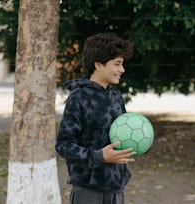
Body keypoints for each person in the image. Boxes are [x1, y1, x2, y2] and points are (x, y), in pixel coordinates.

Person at [55, 33, 135, 204]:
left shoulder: (115, 96)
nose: (122, 70)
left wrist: (137, 142)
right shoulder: (79, 98)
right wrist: (98, 156)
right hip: (88, 190)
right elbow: (64, 145)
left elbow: (123, 134)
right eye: (117, 64)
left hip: (116, 188)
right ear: (98, 65)